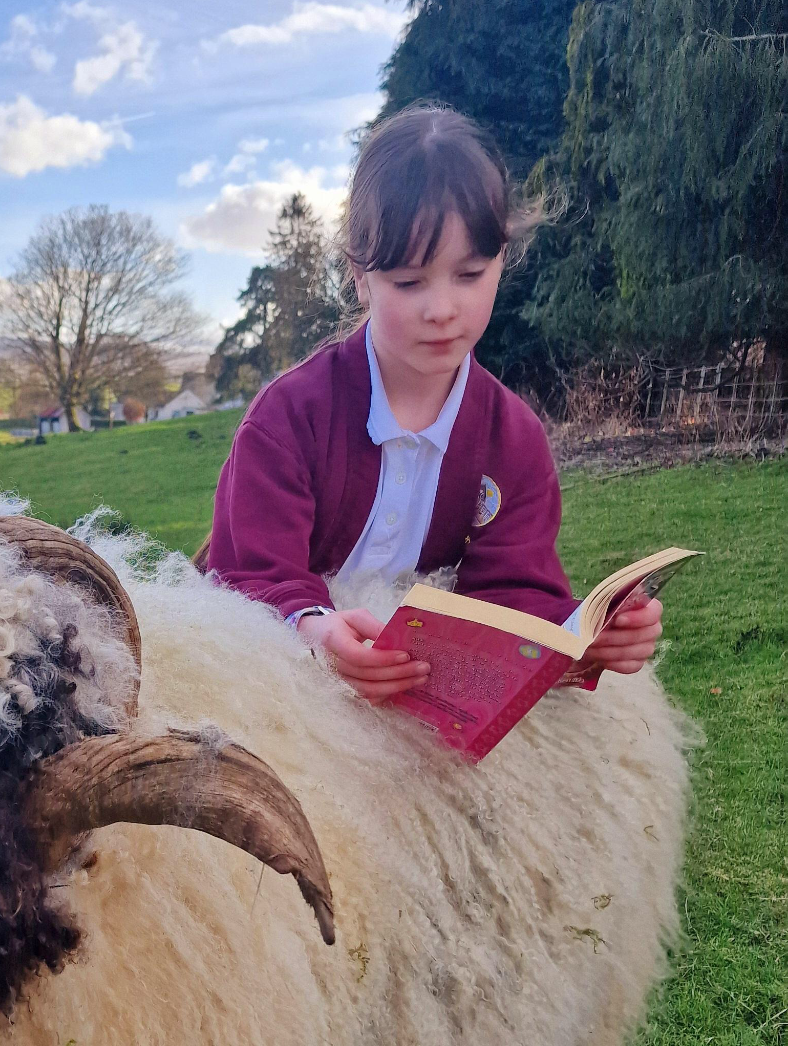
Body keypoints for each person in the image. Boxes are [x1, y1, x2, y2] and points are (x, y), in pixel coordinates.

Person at [203, 105, 662, 703]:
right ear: (360, 276)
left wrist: (585, 635)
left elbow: (513, 594)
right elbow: (249, 571)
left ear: (503, 260)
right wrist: (315, 628)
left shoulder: (514, 441)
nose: (442, 309)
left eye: (470, 273)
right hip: (284, 698)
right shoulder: (287, 420)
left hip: (415, 712)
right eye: (409, 282)